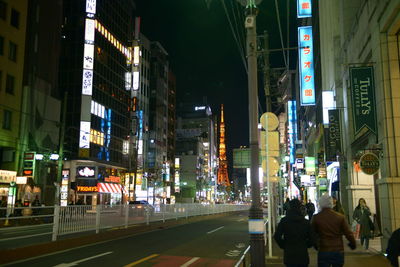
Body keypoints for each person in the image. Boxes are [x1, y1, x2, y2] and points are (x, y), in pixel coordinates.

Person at [312, 194, 356, 267]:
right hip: (338, 249)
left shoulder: (316, 218)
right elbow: (348, 233)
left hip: (323, 249)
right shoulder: (340, 217)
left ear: (320, 203)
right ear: (331, 203)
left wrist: (316, 245)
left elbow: (313, 234)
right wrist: (352, 243)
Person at [274, 199, 316, 267]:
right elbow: (312, 238)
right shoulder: (306, 222)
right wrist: (306, 245)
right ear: (299, 207)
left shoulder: (284, 221)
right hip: (302, 254)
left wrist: (284, 245)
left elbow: (277, 236)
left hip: (289, 254)